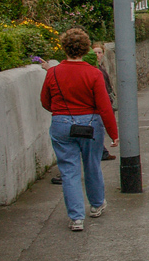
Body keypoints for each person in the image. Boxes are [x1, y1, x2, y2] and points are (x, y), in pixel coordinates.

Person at [40, 28, 119, 232]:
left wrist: (61, 114)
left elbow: (45, 101)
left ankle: (76, 218)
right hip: (90, 125)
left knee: (69, 171)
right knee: (92, 165)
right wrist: (114, 133)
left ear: (64, 47)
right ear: (86, 49)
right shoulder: (93, 73)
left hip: (61, 124)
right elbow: (104, 107)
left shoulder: (53, 72)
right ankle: (96, 204)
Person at [92, 42, 116, 162]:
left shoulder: (101, 68)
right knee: (98, 129)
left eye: (99, 52)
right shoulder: (95, 70)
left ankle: (103, 152)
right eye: (95, 52)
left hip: (106, 100)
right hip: (100, 104)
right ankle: (103, 152)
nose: (97, 55)